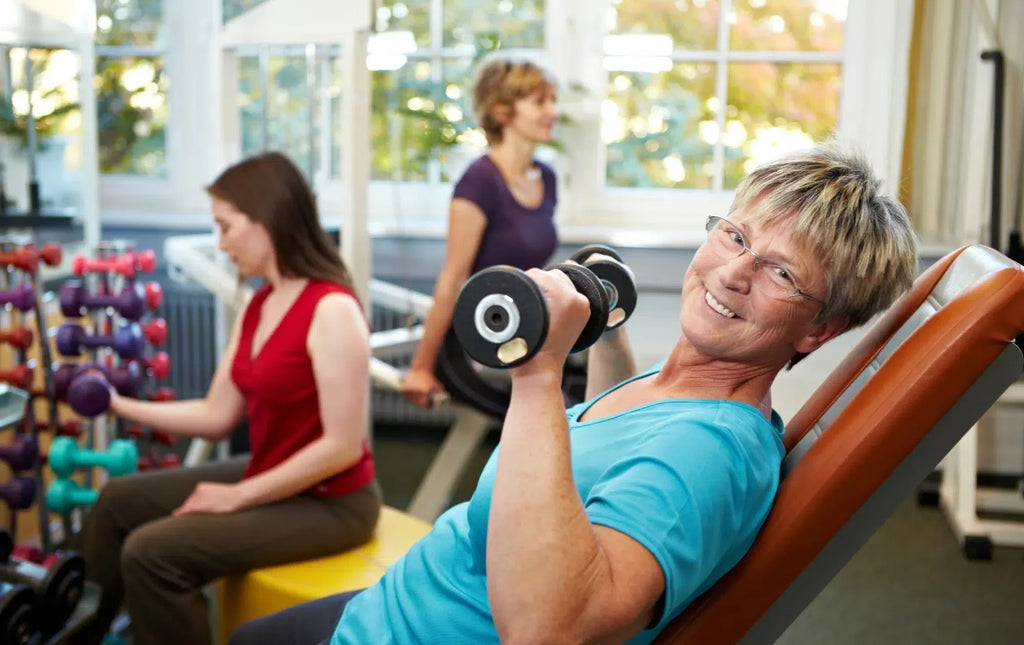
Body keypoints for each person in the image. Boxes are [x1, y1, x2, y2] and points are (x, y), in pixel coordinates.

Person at [228, 141, 918, 644]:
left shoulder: (709, 450)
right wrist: (603, 328)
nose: (733, 271)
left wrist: (535, 370)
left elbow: (549, 628)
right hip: (403, 604)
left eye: (779, 272)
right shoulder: (681, 382)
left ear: (818, 329)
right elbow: (612, 461)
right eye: (735, 234)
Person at [71, 152, 381, 645]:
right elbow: (217, 415)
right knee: (115, 501)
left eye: (226, 227)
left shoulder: (332, 309)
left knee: (152, 553)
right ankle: (78, 633)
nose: (220, 244)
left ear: (268, 220)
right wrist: (115, 403)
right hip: (273, 471)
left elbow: (341, 448)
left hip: (332, 503)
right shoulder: (259, 304)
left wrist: (235, 496)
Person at [402, 54, 561, 408]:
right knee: (535, 416)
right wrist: (420, 367)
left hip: (520, 329)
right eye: (540, 102)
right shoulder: (479, 183)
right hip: (471, 335)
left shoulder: (546, 179)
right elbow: (453, 277)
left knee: (576, 400)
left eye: (553, 100)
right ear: (503, 111)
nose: (553, 111)